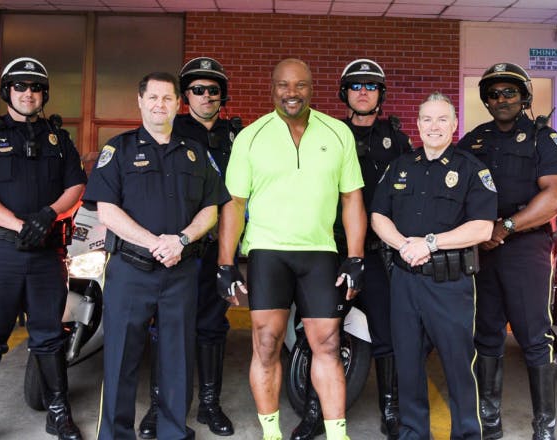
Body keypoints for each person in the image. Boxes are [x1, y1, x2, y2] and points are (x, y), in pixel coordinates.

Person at [215, 58, 367, 440]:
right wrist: (226, 263)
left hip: (320, 252)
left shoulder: (337, 134)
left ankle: (337, 434)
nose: (292, 93)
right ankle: (271, 433)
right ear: (272, 88)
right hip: (268, 252)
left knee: (328, 344)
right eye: (283, 85)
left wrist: (356, 256)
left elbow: (352, 199)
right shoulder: (251, 136)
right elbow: (234, 203)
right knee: (266, 344)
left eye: (300, 85)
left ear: (312, 87)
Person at [85, 72, 228, 440]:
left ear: (178, 104)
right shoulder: (118, 149)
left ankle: (173, 432)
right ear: (140, 101)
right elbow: (106, 211)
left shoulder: (196, 154)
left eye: (167, 99)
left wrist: (180, 240)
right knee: (120, 361)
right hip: (130, 272)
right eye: (153, 98)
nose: (160, 105)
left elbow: (210, 211)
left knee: (177, 361)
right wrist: (153, 242)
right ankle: (116, 435)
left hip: (180, 272)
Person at [0, 56, 86, 440]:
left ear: (44, 94)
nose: (28, 93)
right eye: (20, 86)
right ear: (7, 91)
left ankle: (58, 415)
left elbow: (75, 186)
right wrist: (18, 225)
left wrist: (50, 214)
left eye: (35, 87)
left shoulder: (58, 139)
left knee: (50, 334)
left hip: (47, 254)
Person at [292, 58, 411, 440]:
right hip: (330, 251)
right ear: (345, 93)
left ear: (380, 94)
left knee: (387, 334)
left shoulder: (398, 139)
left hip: (378, 253)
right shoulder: (323, 133)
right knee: (320, 333)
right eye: (356, 86)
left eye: (371, 86)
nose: (363, 92)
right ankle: (313, 411)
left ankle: (391, 411)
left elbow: (408, 197)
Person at [370, 92, 497, 440]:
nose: (434, 126)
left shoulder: (472, 169)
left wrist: (430, 243)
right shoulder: (400, 166)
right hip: (405, 280)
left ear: (455, 125)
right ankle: (413, 433)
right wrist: (403, 246)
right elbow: (378, 215)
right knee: (408, 363)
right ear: (418, 125)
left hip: (450, 283)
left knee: (458, 366)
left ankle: (468, 434)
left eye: (442, 119)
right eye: (427, 119)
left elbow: (483, 227)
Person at [457, 62, 557, 440]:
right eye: (493, 94)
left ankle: (545, 429)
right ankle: (490, 426)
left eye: (509, 92)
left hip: (524, 247)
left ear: (524, 97)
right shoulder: (474, 140)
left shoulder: (543, 139)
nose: (501, 99)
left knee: (534, 337)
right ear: (486, 101)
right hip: (482, 249)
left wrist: (505, 226)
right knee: (486, 334)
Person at [137, 56, 241, 439]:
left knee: (213, 327)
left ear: (222, 96)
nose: (206, 96)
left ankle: (209, 404)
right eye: (197, 89)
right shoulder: (170, 130)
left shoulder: (236, 136)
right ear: (185, 96)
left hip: (217, 248)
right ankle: (159, 406)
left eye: (213, 90)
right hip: (176, 248)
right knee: (167, 328)